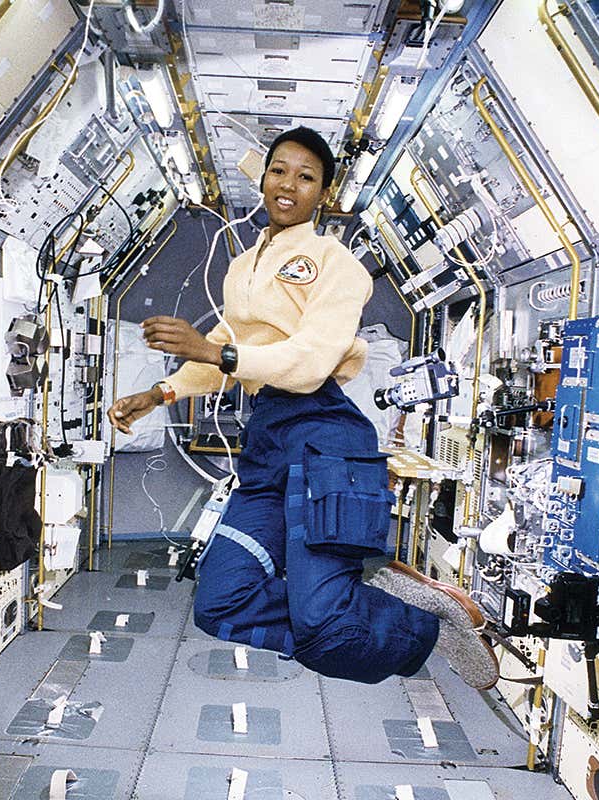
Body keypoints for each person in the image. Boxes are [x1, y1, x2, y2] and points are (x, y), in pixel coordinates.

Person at [107, 127, 498, 688]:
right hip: (267, 440)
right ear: (263, 179)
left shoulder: (337, 265)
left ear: (324, 194)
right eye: (279, 171)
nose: (288, 185)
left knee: (325, 626)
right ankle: (361, 607)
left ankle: (421, 623)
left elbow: (311, 360)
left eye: (306, 177)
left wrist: (216, 353)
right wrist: (158, 394)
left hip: (324, 436)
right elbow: (227, 342)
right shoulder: (243, 269)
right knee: (219, 603)